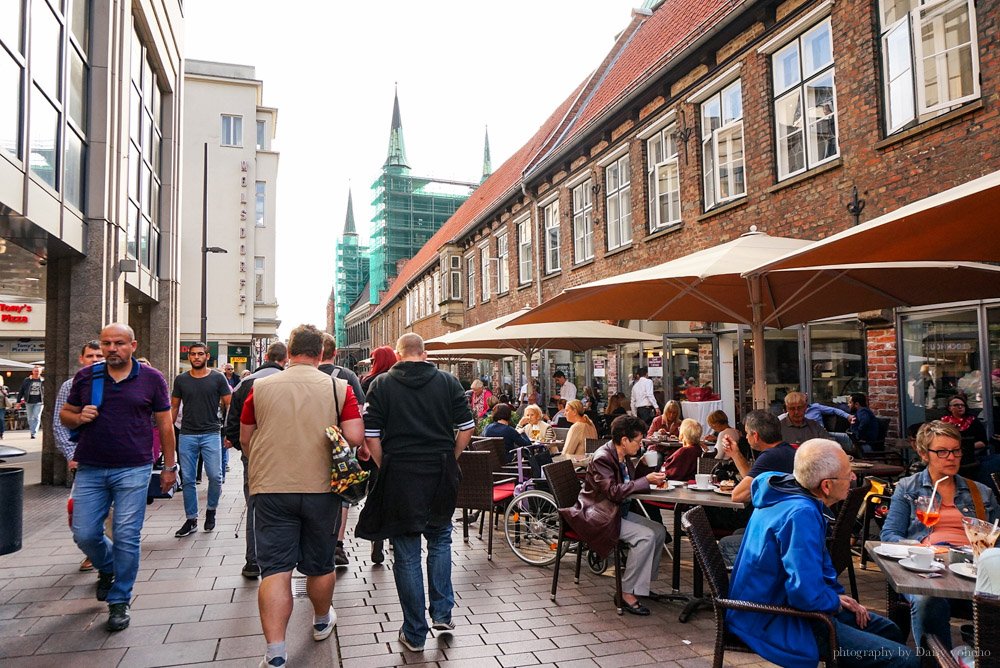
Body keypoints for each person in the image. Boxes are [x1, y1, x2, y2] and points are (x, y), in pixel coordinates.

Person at [729, 439, 917, 667]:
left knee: (888, 630)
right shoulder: (801, 514)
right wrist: (834, 602)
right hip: (775, 618)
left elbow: (811, 575)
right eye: (848, 474)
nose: (853, 478)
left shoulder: (786, 492)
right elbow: (804, 594)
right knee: (904, 659)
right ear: (826, 485)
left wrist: (834, 596)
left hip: (777, 606)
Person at [240, 324, 363, 668]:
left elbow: (246, 437)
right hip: (322, 487)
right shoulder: (339, 387)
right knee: (320, 563)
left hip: (271, 487)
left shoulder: (259, 387)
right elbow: (354, 436)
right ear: (322, 354)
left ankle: (276, 652)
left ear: (289, 352)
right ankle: (322, 619)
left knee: (275, 570)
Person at [356, 333, 475, 652]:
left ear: (397, 354)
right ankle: (443, 613)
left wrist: (385, 464)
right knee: (440, 539)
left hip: (400, 472)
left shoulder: (380, 385)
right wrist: (452, 456)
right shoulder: (448, 382)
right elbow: (467, 427)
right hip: (439, 469)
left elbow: (371, 435)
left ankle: (414, 631)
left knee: (406, 550)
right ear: (425, 353)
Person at [60, 323, 177, 632]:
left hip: (133, 467)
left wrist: (169, 466)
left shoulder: (151, 378)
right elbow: (65, 415)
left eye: (119, 343)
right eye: (107, 343)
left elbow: (165, 424)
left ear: (132, 345)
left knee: (126, 535)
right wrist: (78, 416)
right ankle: (109, 567)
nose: (112, 348)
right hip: (91, 467)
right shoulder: (87, 377)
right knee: (84, 533)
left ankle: (119, 599)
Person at [881, 420, 1000, 650]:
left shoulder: (980, 492)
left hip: (972, 569)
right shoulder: (909, 488)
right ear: (924, 454)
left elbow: (996, 536)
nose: (951, 457)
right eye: (942, 451)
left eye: (956, 451)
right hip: (927, 569)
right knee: (928, 600)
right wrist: (920, 549)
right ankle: (936, 661)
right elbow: (889, 534)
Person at [562, 414, 667, 616]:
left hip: (617, 512)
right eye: (638, 440)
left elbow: (629, 483)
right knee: (645, 537)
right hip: (599, 516)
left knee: (659, 531)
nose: (641, 444)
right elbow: (613, 491)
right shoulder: (603, 458)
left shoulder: (622, 456)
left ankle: (639, 587)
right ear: (624, 440)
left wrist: (645, 466)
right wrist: (646, 479)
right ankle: (626, 592)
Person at [223, 340, 288, 579]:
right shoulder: (286, 382)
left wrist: (245, 450)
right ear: (284, 359)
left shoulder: (244, 383)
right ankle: (280, 559)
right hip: (282, 454)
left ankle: (253, 561)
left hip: (254, 454)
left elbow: (232, 424)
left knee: (254, 504)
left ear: (267, 356)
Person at [718, 410, 797, 564]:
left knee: (726, 544)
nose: (745, 437)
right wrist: (735, 453)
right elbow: (754, 480)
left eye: (747, 433)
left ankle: (745, 586)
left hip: (780, 537)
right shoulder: (786, 451)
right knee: (739, 532)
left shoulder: (770, 457)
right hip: (788, 529)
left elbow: (738, 495)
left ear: (756, 436)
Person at [53, 340, 105, 572]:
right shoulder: (70, 385)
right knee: (82, 515)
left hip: (114, 457)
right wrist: (71, 454)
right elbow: (59, 424)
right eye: (91, 356)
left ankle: (103, 562)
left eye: (99, 356)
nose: (95, 360)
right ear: (81, 359)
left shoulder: (114, 384)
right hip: (84, 460)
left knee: (112, 513)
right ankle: (93, 549)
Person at [171, 342, 232, 538]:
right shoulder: (181, 380)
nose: (196, 357)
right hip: (187, 434)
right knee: (188, 479)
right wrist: (169, 432)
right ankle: (191, 519)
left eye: (200, 354)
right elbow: (173, 407)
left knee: (215, 476)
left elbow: (229, 404)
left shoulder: (217, 378)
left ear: (207, 356)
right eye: (193, 354)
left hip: (211, 433)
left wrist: (229, 431)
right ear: (189, 357)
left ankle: (211, 510)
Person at [318, 333, 365, 568]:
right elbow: (359, 412)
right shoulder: (347, 376)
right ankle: (337, 544)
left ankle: (315, 541)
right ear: (335, 353)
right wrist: (362, 445)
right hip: (342, 446)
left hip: (311, 445)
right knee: (342, 495)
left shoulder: (307, 375)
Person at [358, 344, 397, 567]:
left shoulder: (368, 382)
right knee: (395, 492)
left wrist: (364, 444)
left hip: (375, 445)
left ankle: (378, 541)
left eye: (374, 360)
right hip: (394, 444)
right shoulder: (397, 380)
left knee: (376, 492)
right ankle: (392, 536)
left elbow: (365, 416)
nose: (371, 364)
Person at [17, 365, 44, 438]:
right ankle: (32, 431)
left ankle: (34, 433)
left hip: (39, 402)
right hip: (28, 401)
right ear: (32, 371)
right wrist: (18, 401)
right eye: (35, 371)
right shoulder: (27, 380)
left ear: (41, 372)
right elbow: (21, 390)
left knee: (37, 417)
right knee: (30, 418)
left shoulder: (43, 380)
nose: (36, 372)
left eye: (38, 371)